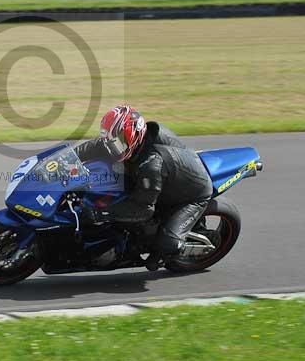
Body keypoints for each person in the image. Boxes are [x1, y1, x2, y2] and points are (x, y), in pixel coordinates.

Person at [74, 105, 213, 271]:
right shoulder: (129, 142)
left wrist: (99, 213)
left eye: (119, 143)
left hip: (193, 194)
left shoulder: (150, 165)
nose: (113, 148)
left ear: (133, 136)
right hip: (166, 178)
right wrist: (69, 158)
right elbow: (97, 146)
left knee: (168, 243)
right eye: (112, 142)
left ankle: (169, 251)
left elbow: (143, 210)